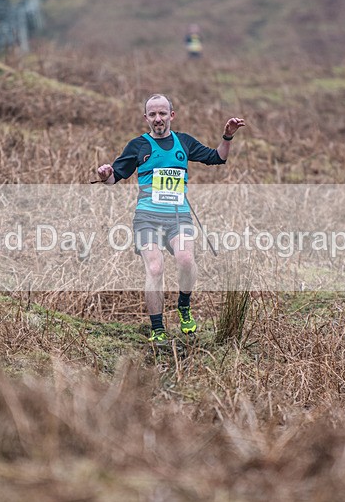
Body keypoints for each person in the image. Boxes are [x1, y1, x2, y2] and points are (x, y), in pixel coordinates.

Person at [96, 94, 246, 343]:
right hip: (147, 218)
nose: (158, 119)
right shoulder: (137, 146)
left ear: (171, 115)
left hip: (178, 216)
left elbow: (218, 157)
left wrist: (227, 136)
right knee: (155, 268)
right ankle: (157, 328)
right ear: (146, 118)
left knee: (186, 260)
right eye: (152, 114)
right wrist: (104, 174)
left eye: (162, 113)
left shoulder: (183, 142)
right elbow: (113, 178)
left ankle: (184, 307)